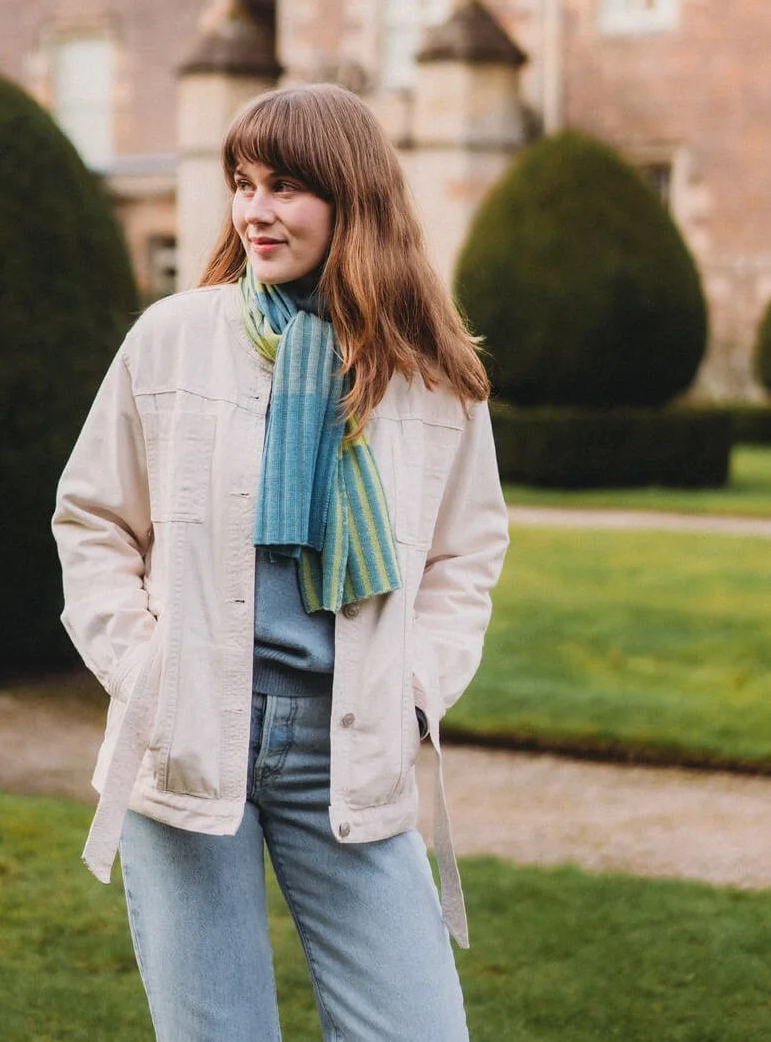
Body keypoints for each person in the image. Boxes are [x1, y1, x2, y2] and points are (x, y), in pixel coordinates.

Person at [53, 83, 509, 1042]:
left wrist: (413, 691)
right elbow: (92, 522)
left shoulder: (433, 377)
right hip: (188, 732)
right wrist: (147, 674)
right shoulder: (172, 338)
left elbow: (467, 559)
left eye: (287, 187)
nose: (254, 211)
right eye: (242, 183)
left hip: (346, 743)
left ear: (355, 201)